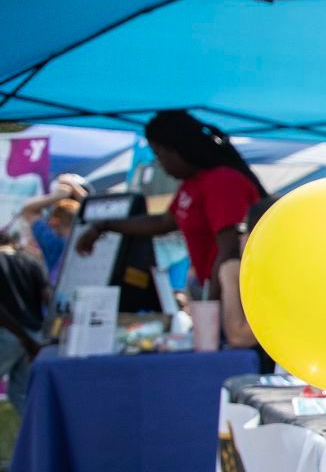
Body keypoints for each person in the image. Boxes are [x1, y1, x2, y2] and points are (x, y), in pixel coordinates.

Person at [75, 110, 265, 299]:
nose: (161, 164)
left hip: (232, 297)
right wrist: (104, 225)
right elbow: (163, 222)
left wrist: (212, 305)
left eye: (160, 155)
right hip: (214, 294)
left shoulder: (222, 181)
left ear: (180, 149)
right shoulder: (192, 184)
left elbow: (229, 251)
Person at [216, 197, 277, 373]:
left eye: (243, 230)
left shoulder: (288, 276)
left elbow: (240, 336)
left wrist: (229, 279)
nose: (241, 237)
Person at [0, 230, 49, 418]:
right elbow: (48, 297)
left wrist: (22, 336)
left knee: (21, 393)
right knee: (22, 393)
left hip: (9, 334)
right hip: (35, 335)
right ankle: (37, 435)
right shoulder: (30, 261)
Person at [18, 173, 88, 280]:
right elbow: (97, 208)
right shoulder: (94, 234)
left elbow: (28, 209)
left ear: (54, 222)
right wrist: (75, 188)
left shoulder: (52, 241)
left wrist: (56, 196)